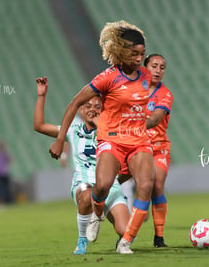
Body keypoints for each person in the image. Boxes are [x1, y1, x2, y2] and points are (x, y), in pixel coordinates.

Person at [49, 20, 155, 254]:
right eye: (134, 54)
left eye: (142, 54)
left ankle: (125, 241)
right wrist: (59, 140)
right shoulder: (107, 77)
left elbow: (158, 99)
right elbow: (75, 102)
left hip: (138, 141)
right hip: (113, 140)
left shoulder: (146, 76)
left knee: (146, 185)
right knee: (103, 186)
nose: (139, 59)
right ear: (121, 52)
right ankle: (96, 216)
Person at [34, 77, 130, 255]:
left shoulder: (113, 130)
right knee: (87, 196)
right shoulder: (72, 129)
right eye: (88, 106)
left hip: (110, 186)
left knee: (127, 232)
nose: (92, 109)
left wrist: (99, 125)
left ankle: (116, 237)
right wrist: (42, 96)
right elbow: (39, 126)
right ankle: (81, 240)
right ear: (79, 110)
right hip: (84, 183)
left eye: (97, 107)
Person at [144, 54, 173, 247]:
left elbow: (154, 119)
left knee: (157, 185)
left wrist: (128, 125)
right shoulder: (133, 89)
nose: (158, 70)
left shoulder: (166, 94)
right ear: (144, 67)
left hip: (158, 148)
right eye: (154, 66)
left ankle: (159, 237)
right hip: (133, 146)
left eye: (162, 67)